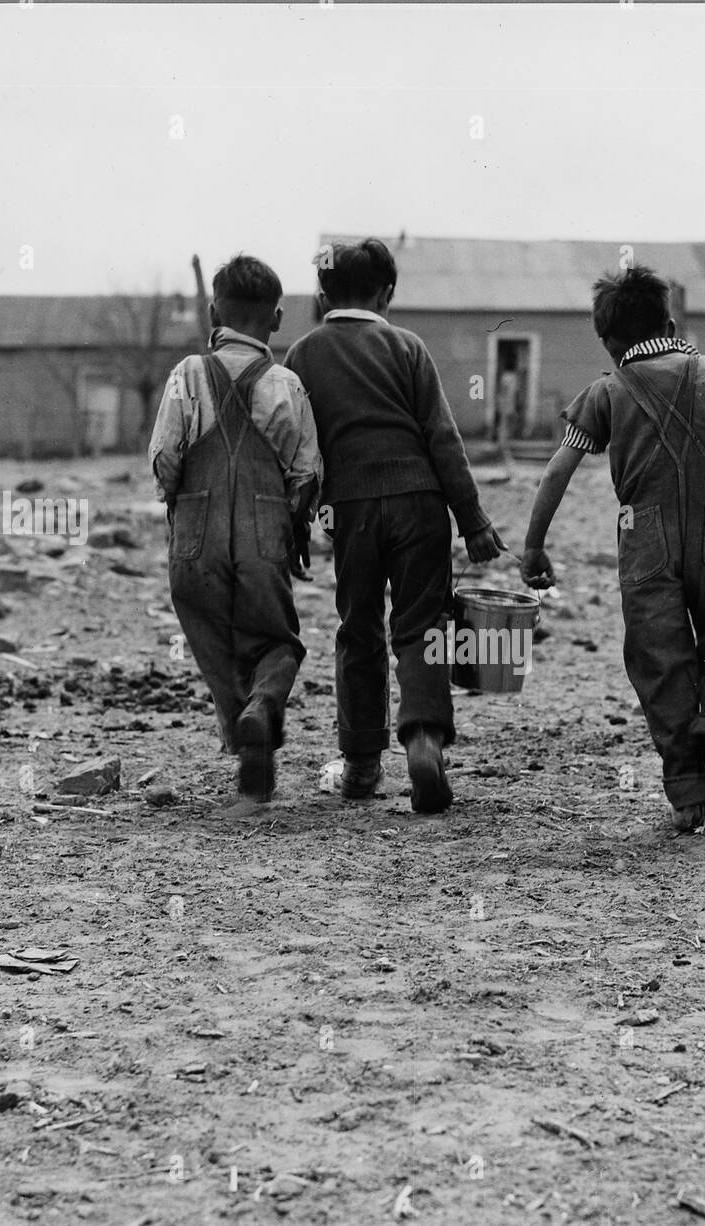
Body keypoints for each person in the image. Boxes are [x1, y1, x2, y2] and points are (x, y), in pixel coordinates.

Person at [519, 265, 705, 832]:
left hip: (645, 537)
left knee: (660, 661)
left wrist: (534, 548)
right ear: (671, 323)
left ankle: (687, 787)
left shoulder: (606, 392)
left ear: (607, 340)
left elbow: (556, 474)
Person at [284, 238, 502, 812]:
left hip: (350, 511)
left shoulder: (303, 355)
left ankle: (359, 765)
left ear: (323, 294)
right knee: (422, 625)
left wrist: (295, 521)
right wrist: (473, 519)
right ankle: (425, 740)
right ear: (387, 294)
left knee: (359, 628)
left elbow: (298, 450)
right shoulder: (407, 347)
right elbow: (442, 438)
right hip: (421, 504)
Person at [149, 254, 322, 801]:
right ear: (275, 318)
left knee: (211, 638)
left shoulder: (186, 375)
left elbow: (165, 458)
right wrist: (294, 526)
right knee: (276, 641)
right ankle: (263, 706)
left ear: (211, 312)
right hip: (264, 532)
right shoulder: (287, 385)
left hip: (195, 537)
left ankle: (245, 735)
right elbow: (306, 475)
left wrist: (180, 508)